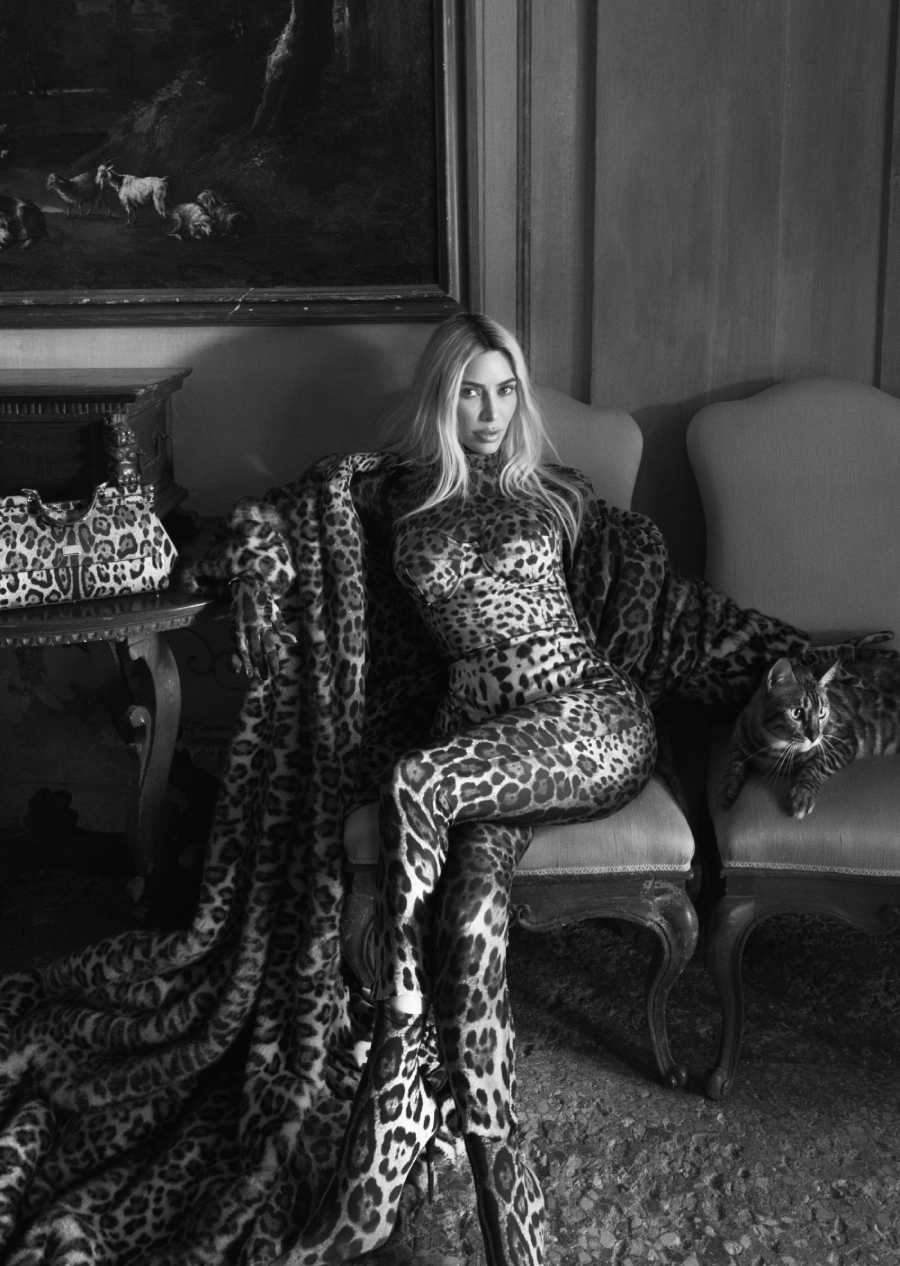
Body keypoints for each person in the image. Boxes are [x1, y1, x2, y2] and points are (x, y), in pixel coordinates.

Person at [0, 312, 887, 1266]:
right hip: (479, 741)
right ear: (440, 397)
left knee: (416, 780)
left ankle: (396, 1021)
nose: (492, 412)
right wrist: (262, 544)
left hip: (584, 720)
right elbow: (278, 530)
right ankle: (511, 1201)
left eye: (506, 392)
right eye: (472, 392)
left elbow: (669, 614)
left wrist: (805, 669)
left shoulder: (556, 492)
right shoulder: (393, 496)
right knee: (468, 915)